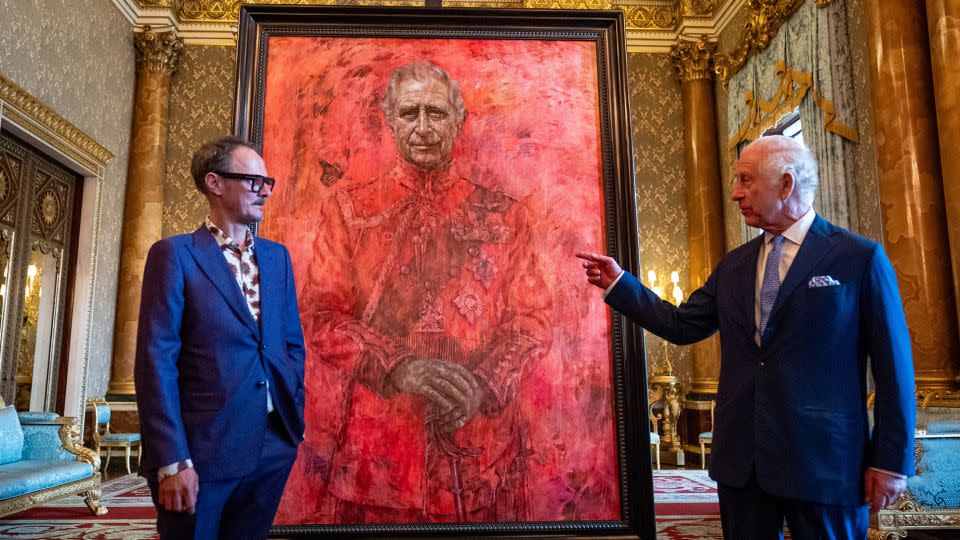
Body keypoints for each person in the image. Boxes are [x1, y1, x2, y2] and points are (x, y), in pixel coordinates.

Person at [578, 135, 915, 539]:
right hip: (743, 462)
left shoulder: (858, 259)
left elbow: (894, 368)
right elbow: (682, 325)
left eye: (746, 180)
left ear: (786, 184)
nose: (736, 193)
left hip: (826, 464)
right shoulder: (735, 265)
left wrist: (891, 460)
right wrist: (622, 285)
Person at [298, 61, 550, 522]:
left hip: (481, 448)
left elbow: (531, 321)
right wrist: (398, 367)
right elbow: (322, 317)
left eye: (435, 113)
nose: (422, 128)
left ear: (457, 120)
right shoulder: (347, 210)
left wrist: (484, 383)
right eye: (410, 112)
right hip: (381, 447)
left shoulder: (505, 214)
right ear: (391, 120)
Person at [135, 136, 306, 539]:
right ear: (215, 183)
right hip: (200, 453)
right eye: (252, 181)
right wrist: (172, 460)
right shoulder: (174, 255)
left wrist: (292, 415)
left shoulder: (277, 257)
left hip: (272, 445)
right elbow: (156, 361)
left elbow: (291, 345)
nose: (264, 191)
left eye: (268, 182)